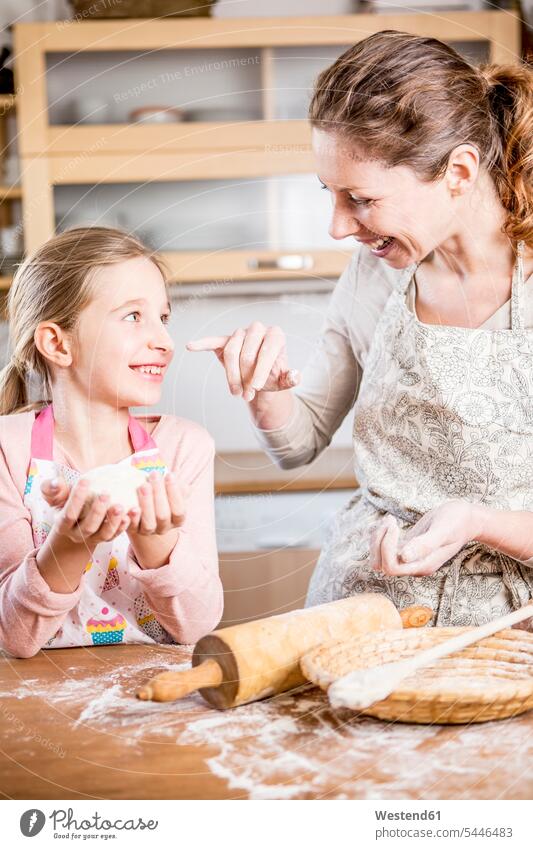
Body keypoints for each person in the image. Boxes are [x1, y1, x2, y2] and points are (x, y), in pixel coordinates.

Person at [187, 31, 533, 627]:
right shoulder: (373, 278)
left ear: (458, 170)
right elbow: (300, 443)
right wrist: (269, 392)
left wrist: (478, 522)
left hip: (510, 631)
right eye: (329, 193)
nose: (338, 226)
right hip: (363, 612)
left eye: (361, 199)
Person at [0, 227, 223, 657]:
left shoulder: (183, 449)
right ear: (57, 344)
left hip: (156, 702)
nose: (163, 340)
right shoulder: (9, 451)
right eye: (133, 316)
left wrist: (157, 543)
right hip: (41, 704)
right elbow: (15, 638)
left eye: (163, 317)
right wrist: (67, 546)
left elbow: (197, 626)